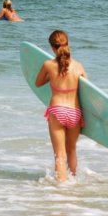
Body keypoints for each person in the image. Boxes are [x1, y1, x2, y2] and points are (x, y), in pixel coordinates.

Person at [35, 30, 87, 182]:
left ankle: (61, 188)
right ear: (68, 43)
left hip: (57, 111)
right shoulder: (78, 66)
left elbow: (37, 83)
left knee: (59, 153)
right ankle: (74, 181)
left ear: (52, 47)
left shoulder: (48, 65)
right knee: (71, 150)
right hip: (75, 113)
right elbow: (88, 92)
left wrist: (51, 79)